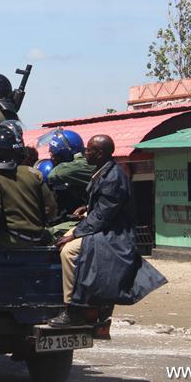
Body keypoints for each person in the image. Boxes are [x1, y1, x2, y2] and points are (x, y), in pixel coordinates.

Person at [49, 135, 166, 327]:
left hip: (114, 233)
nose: (85, 153)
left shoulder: (113, 177)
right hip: (105, 226)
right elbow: (104, 205)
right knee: (59, 240)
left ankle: (74, 309)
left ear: (100, 153)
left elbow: (103, 216)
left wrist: (75, 233)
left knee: (69, 252)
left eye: (89, 150)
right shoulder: (104, 171)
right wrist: (87, 209)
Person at [46, 129, 95, 217]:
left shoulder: (79, 166)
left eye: (56, 155)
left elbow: (52, 175)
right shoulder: (79, 163)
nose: (52, 158)